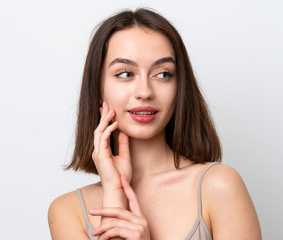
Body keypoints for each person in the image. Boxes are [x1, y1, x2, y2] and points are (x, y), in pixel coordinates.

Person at [48, 8, 262, 240]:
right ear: (98, 88)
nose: (145, 92)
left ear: (180, 87)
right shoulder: (67, 212)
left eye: (162, 74)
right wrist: (114, 192)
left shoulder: (219, 186)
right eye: (125, 74)